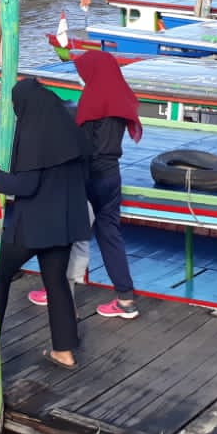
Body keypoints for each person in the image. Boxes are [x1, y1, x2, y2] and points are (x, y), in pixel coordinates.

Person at [0, 78, 91, 369]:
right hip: (68, 221)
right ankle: (64, 350)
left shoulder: (34, 134)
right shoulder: (69, 129)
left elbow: (26, 185)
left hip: (37, 223)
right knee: (56, 282)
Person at [28, 50, 142, 318]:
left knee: (68, 233)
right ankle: (125, 299)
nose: (81, 78)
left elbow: (80, 145)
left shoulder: (92, 100)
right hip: (112, 175)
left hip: (88, 177)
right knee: (109, 234)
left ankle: (57, 292)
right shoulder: (119, 98)